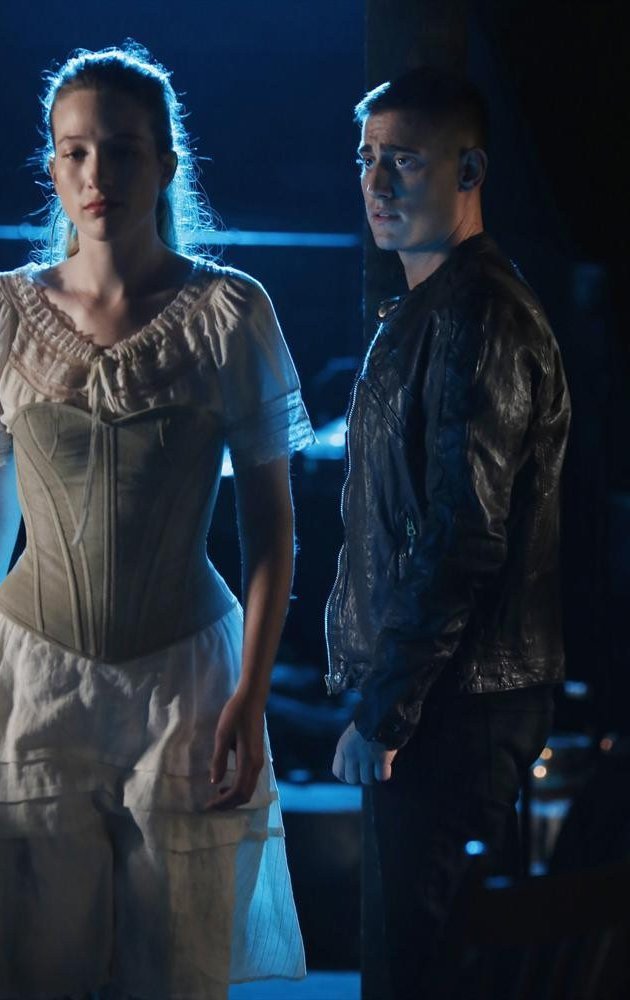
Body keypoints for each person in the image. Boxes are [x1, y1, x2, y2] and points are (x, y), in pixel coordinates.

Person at [0, 43, 311, 1000]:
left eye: (123, 150)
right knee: (38, 964)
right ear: (54, 166)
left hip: (185, 679)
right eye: (76, 152)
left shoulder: (229, 312)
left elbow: (271, 530)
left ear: (167, 163)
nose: (98, 174)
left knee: (172, 971)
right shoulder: (7, 314)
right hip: (34, 673)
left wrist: (251, 693)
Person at [327, 66, 571, 997]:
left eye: (404, 161)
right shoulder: (432, 308)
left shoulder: (479, 313)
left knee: (425, 974)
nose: (376, 183)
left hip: (459, 706)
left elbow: (462, 534)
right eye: (366, 159)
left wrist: (386, 708)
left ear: (469, 170)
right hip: (446, 698)